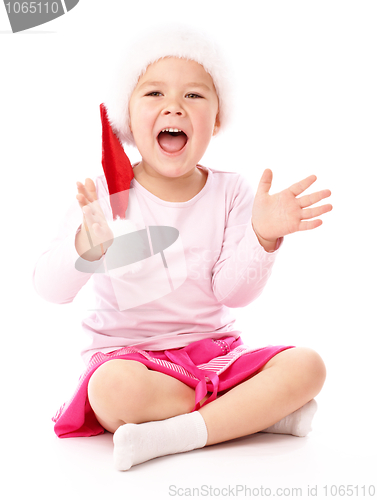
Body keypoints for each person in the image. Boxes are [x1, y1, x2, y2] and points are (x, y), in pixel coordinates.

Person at [33, 25, 332, 471]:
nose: (174, 105)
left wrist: (263, 236)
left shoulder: (232, 192)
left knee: (309, 367)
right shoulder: (102, 194)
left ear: (216, 119)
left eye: (193, 96)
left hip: (214, 353)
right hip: (132, 363)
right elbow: (48, 288)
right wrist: (87, 246)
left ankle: (177, 434)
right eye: (154, 93)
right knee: (112, 390)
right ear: (127, 119)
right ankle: (248, 415)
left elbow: (233, 293)